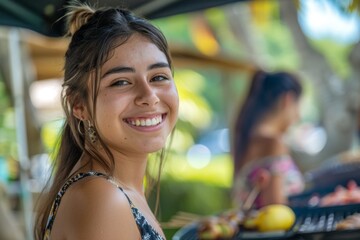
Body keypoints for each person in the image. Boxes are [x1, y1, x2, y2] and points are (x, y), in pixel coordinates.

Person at [34, 2, 178, 240]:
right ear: (79, 105)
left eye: (159, 77)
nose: (149, 97)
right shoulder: (101, 198)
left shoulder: (114, 192)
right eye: (121, 82)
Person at [231, 70, 305, 210]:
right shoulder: (273, 142)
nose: (298, 116)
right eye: (298, 107)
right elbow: (276, 209)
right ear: (287, 100)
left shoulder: (246, 138)